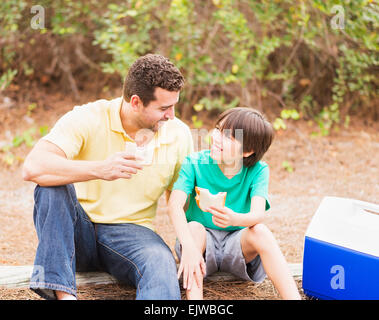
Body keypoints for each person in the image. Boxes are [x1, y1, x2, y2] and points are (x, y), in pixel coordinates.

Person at [22, 54, 194, 300]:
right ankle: (65, 296)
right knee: (50, 186)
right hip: (75, 230)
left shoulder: (179, 134)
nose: (172, 116)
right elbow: (32, 167)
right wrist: (100, 169)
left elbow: (183, 201)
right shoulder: (87, 117)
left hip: (132, 234)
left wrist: (193, 244)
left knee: (159, 260)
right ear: (135, 102)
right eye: (164, 108)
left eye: (174, 105)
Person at [168, 107, 301, 300]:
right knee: (195, 227)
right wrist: (188, 246)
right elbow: (174, 205)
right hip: (200, 246)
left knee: (260, 231)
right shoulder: (194, 162)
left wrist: (235, 218)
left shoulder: (258, 170)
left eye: (229, 137)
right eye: (218, 129)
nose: (216, 138)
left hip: (237, 245)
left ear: (247, 151)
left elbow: (258, 214)